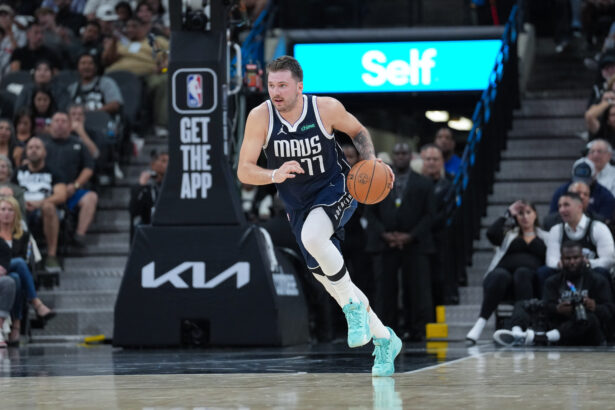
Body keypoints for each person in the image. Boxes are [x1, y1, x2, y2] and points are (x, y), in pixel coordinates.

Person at [237, 55, 401, 377]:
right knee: (330, 280)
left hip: (336, 187)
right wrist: (274, 174)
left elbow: (358, 131)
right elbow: (244, 170)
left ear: (299, 86)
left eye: (283, 85)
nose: (276, 92)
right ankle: (385, 339)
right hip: (297, 206)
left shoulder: (324, 108)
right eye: (271, 85)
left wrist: (370, 161)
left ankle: (352, 310)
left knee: (314, 239)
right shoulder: (260, 117)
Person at [366, 142, 435, 342]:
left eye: (405, 153)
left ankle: (417, 330)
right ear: (393, 156)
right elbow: (370, 212)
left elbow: (430, 215)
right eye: (397, 153)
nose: (401, 157)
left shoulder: (424, 183)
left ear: (410, 156)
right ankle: (385, 329)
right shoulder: (378, 182)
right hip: (384, 243)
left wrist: (410, 236)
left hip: (415, 244)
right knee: (384, 290)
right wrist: (384, 234)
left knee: (416, 288)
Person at [494, 241, 614, 346]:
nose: (572, 262)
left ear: (583, 258)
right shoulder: (553, 281)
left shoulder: (597, 280)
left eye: (576, 258)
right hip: (560, 324)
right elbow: (546, 305)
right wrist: (557, 309)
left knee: (588, 318)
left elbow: (610, 311)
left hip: (588, 332)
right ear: (561, 260)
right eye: (568, 258)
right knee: (523, 304)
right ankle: (517, 334)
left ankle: (542, 338)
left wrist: (595, 307)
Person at [466, 200, 548, 343]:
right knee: (500, 275)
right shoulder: (509, 234)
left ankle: (518, 327)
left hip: (529, 283)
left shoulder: (545, 236)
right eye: (520, 213)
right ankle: (480, 323)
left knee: (522, 273)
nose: (525, 217)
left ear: (535, 214)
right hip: (504, 282)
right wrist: (508, 213)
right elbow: (491, 234)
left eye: (528, 212)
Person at [0, 196, 55, 345]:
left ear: (16, 213)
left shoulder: (23, 236)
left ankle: (16, 325)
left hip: (15, 275)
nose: (6, 213)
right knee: (18, 263)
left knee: (16, 278)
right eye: (3, 209)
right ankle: (36, 303)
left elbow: (28, 259)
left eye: (10, 210)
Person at [539, 192, 615, 291]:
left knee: (601, 272)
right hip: (565, 272)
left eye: (566, 205)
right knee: (544, 272)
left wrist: (588, 263)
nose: (561, 210)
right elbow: (551, 260)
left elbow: (609, 260)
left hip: (589, 272)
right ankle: (548, 301)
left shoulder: (598, 227)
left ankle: (602, 300)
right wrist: (564, 264)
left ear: (579, 207)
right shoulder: (556, 230)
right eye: (559, 206)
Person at [43, 112, 97, 248]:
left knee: (91, 197)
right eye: (57, 121)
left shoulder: (78, 144)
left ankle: (79, 235)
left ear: (69, 125)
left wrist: (76, 185)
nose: (60, 124)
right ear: (50, 125)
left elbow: (89, 168)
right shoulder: (42, 144)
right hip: (46, 191)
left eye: (64, 121)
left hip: (71, 190)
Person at [14, 137, 67, 273]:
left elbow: (61, 195)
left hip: (43, 211)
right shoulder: (18, 172)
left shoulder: (53, 172)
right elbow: (10, 193)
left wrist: (40, 203)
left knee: (49, 207)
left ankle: (51, 256)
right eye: (30, 147)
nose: (33, 150)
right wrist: (21, 204)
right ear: (26, 152)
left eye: (37, 147)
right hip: (20, 209)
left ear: (44, 152)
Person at [420, 143, 456, 305]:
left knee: (439, 279)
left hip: (440, 240)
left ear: (442, 162)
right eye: (428, 159)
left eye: (435, 159)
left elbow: (445, 213)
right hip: (418, 241)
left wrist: (423, 224)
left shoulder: (449, 185)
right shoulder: (415, 184)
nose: (431, 162)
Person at [549, 157, 615, 222]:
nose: (581, 197)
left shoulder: (605, 196)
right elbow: (552, 218)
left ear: (594, 176)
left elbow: (605, 220)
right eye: (577, 193)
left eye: (585, 194)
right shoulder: (561, 191)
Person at [129, 149, 168, 240]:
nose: (167, 164)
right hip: (150, 225)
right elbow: (133, 210)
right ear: (153, 165)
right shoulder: (145, 188)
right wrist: (141, 186)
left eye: (168, 161)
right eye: (163, 161)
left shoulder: (173, 186)